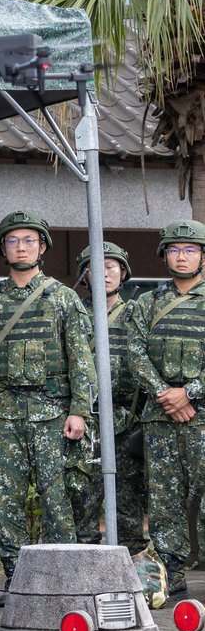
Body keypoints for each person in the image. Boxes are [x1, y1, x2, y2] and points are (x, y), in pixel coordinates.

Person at [0, 211, 94, 607]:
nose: (21, 247)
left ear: (42, 247)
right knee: (5, 503)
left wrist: (79, 410)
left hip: (52, 413)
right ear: (3, 248)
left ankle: (63, 581)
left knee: (58, 501)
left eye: (29, 240)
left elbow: (80, 360)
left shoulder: (63, 298)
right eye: (13, 241)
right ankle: (17, 582)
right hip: (1, 416)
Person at [129, 220, 205, 596]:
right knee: (163, 498)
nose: (181, 256)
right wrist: (166, 395)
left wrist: (190, 392)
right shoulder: (147, 302)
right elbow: (135, 354)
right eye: (174, 249)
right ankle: (169, 574)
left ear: (202, 256)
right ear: (164, 256)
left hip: (202, 416)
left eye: (190, 249)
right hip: (160, 417)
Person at [67, 242, 147, 553]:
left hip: (127, 419)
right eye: (95, 267)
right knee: (83, 500)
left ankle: (132, 569)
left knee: (127, 500)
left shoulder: (137, 313)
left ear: (123, 272)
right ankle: (85, 565)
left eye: (111, 266)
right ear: (84, 275)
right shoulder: (73, 312)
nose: (104, 273)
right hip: (85, 418)